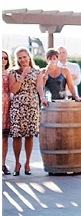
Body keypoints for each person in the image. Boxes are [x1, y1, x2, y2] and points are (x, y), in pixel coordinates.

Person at [7, 47, 42, 175]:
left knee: (29, 135)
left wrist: (43, 98)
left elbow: (39, 87)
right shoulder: (13, 73)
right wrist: (22, 76)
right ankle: (17, 163)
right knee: (17, 136)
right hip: (18, 106)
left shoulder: (38, 72)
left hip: (32, 106)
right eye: (20, 58)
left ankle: (27, 163)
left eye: (24, 57)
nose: (22, 60)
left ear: (29, 57)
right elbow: (13, 90)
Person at [2, 50, 12, 175]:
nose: (3, 60)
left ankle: (3, 164)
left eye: (5, 58)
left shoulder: (10, 73)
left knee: (4, 138)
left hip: (7, 107)